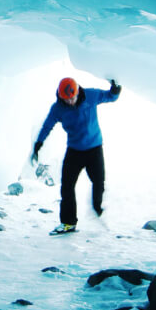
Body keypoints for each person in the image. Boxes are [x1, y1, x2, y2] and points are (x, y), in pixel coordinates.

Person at [32, 77, 121, 234]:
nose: (70, 102)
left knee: (99, 181)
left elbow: (110, 97)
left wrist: (115, 90)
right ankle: (68, 223)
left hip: (94, 149)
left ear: (77, 92)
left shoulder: (91, 95)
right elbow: (47, 125)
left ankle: (98, 210)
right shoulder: (58, 108)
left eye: (72, 98)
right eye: (66, 99)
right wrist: (39, 143)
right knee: (67, 187)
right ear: (61, 96)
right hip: (74, 151)